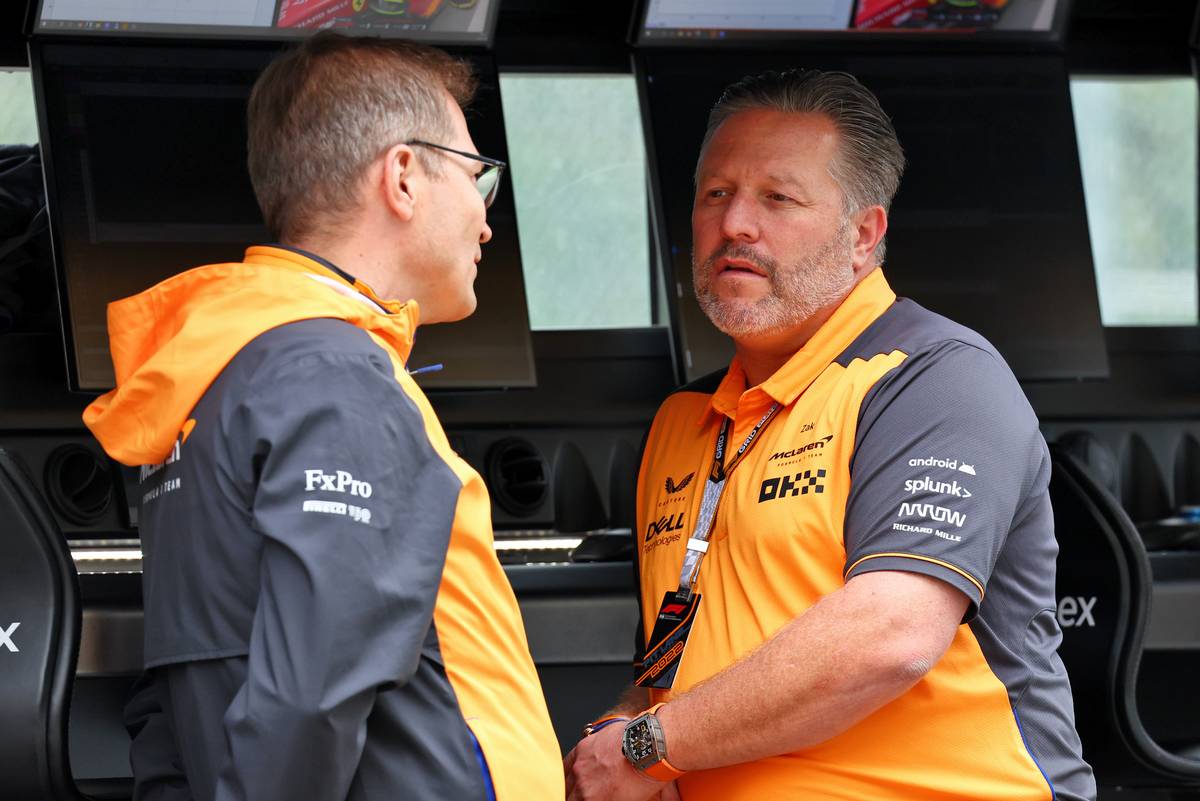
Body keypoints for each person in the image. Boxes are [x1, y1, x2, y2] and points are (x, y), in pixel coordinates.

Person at [564, 69, 1095, 801]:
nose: (735, 225)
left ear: (864, 235)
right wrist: (621, 732)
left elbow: (891, 633)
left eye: (777, 198)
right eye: (716, 194)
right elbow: (677, 661)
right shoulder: (682, 422)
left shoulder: (934, 378)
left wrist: (651, 745)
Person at [83, 32, 563, 801]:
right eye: (478, 178)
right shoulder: (337, 376)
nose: (485, 221)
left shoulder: (205, 378)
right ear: (403, 176)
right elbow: (315, 687)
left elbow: (169, 701)